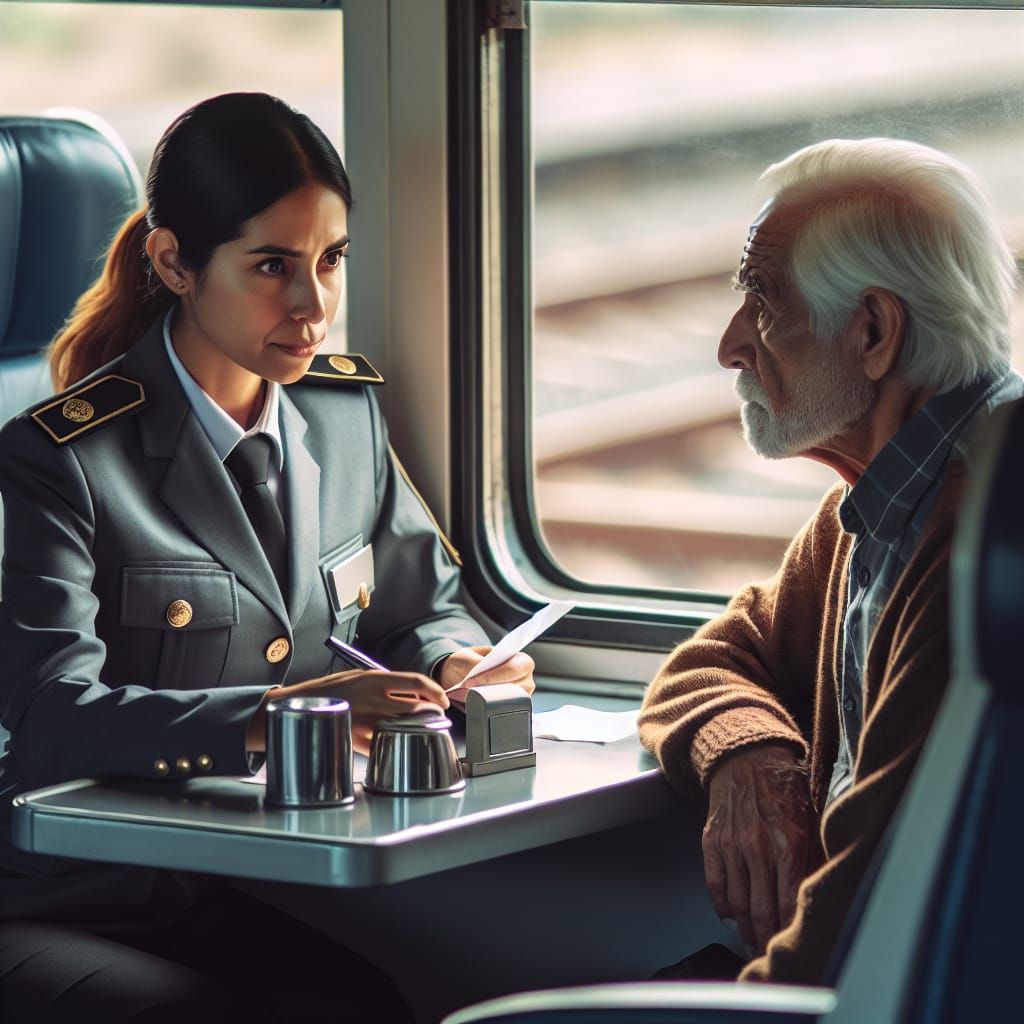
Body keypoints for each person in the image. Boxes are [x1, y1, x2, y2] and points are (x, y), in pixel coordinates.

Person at [0, 92, 534, 1023]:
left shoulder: (342, 414)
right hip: (60, 890)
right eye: (273, 266)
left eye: (331, 260)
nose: (314, 304)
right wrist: (283, 715)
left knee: (364, 1005)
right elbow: (51, 716)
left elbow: (425, 603)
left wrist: (456, 661)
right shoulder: (60, 458)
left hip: (207, 883)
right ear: (174, 262)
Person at [639, 138, 1022, 984]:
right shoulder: (878, 505)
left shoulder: (976, 535)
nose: (731, 345)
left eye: (762, 300)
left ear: (875, 333)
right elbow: (711, 659)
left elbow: (866, 930)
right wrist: (749, 755)